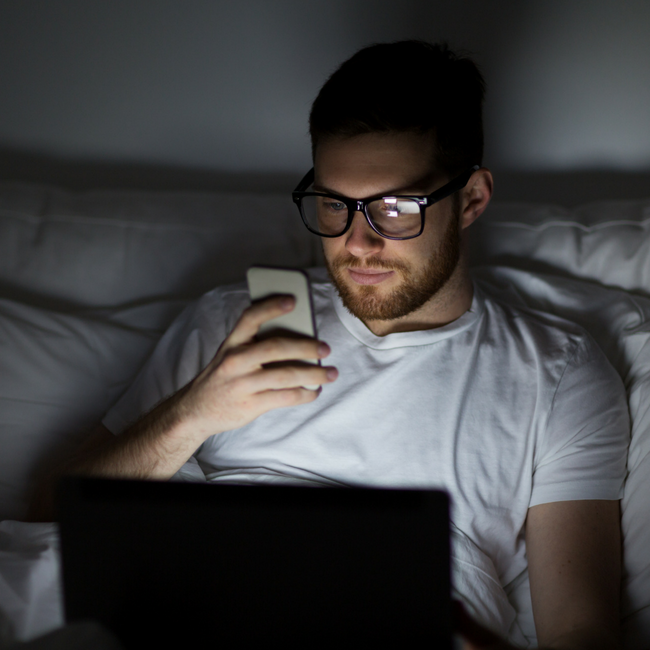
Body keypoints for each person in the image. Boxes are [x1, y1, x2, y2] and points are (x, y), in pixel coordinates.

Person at [30, 41, 628, 649]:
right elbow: (51, 513)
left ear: (471, 198)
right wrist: (193, 414)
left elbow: (581, 630)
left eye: (395, 209)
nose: (357, 243)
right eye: (333, 205)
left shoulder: (558, 374)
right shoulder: (234, 320)